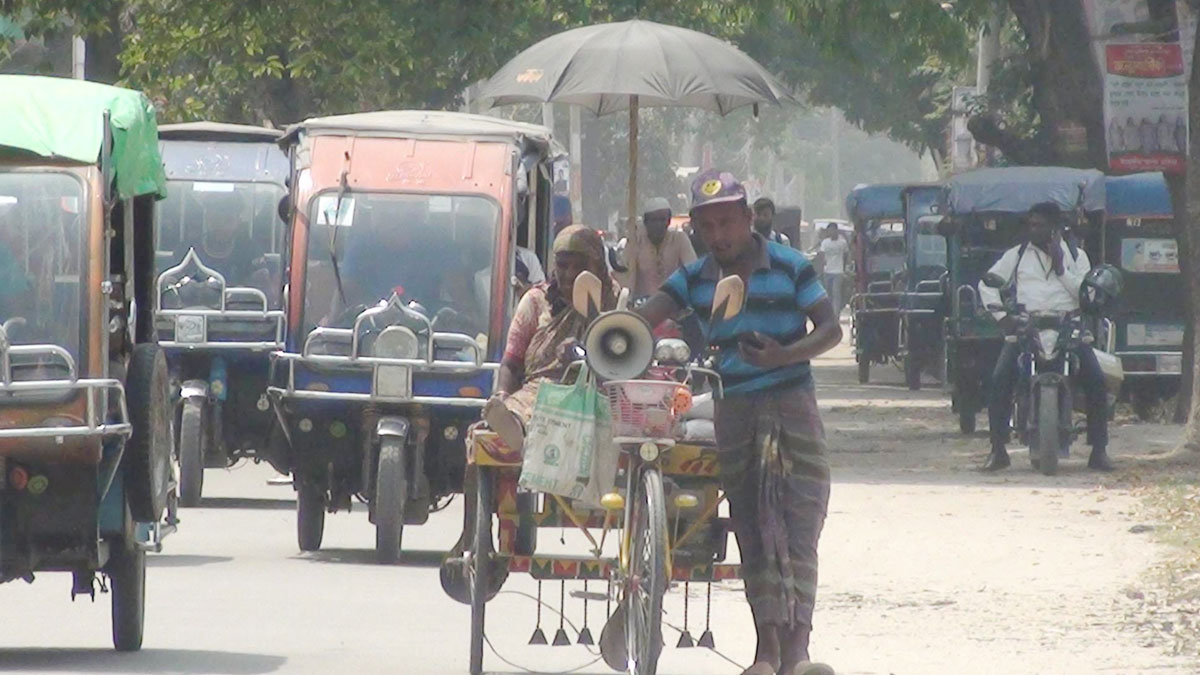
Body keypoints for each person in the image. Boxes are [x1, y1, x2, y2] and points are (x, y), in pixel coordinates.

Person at [638, 169, 841, 675]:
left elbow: (832, 329)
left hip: (793, 402)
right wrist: (617, 327)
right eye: (708, 228)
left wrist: (785, 355)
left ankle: (799, 650)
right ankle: (765, 651)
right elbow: (647, 316)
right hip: (734, 408)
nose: (719, 236)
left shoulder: (793, 266)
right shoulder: (695, 277)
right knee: (752, 528)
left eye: (727, 223)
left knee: (799, 525)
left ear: (749, 219)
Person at [977, 201, 1112, 472]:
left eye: (1039, 225)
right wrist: (1004, 319)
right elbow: (987, 284)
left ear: (1055, 228)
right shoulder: (1016, 256)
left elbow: (1084, 296)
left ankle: (1099, 450)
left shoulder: (1077, 257)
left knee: (1097, 381)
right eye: (1031, 224)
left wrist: (1061, 268)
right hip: (1028, 327)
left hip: (1068, 327)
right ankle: (998, 449)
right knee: (999, 380)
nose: (1033, 230)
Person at [482, 225, 616, 451]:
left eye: (581, 266)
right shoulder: (536, 301)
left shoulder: (614, 300)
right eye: (563, 266)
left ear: (599, 266)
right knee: (528, 408)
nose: (571, 274)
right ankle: (512, 425)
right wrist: (503, 395)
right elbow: (512, 362)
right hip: (543, 393)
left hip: (598, 391)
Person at [621, 197, 697, 297]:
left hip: (674, 303)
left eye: (662, 220)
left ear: (669, 221)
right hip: (641, 306)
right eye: (654, 220)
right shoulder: (636, 242)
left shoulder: (679, 239)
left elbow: (692, 270)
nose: (659, 225)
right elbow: (628, 277)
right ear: (646, 222)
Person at [816, 223, 848, 316]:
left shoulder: (842, 242)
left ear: (836, 230)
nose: (831, 232)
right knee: (828, 294)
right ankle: (829, 314)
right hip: (827, 271)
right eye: (829, 230)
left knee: (836, 293)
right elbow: (821, 256)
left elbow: (846, 255)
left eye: (833, 230)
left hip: (838, 271)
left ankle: (836, 315)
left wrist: (844, 267)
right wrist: (821, 268)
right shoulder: (825, 242)